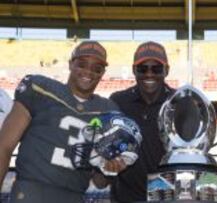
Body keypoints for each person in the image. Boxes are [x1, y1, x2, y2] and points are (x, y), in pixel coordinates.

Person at [0, 41, 126, 203]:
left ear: (102, 73)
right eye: (82, 64)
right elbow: (4, 146)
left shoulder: (108, 111)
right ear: (70, 64)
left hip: (74, 197)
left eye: (97, 68)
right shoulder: (40, 89)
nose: (88, 71)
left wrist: (110, 169)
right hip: (31, 193)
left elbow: (99, 183)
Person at [109, 41, 175, 202]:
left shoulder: (180, 102)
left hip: (167, 198)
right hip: (125, 198)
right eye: (142, 68)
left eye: (157, 68)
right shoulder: (118, 101)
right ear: (134, 70)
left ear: (167, 70)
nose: (149, 74)